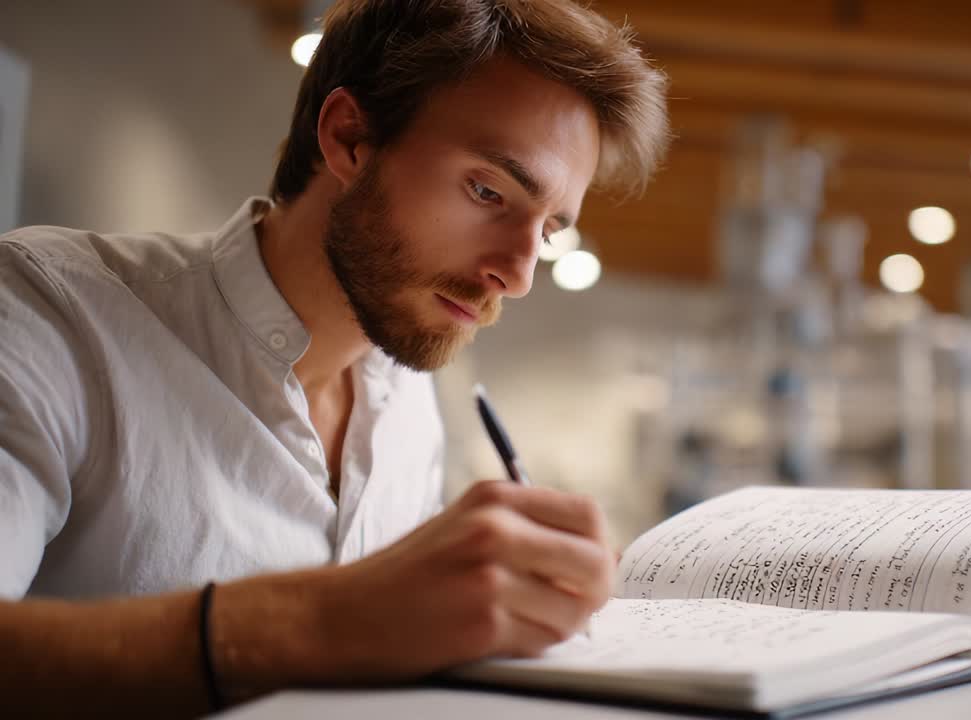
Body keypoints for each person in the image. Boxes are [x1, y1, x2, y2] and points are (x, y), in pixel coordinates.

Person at [0, 0, 669, 714]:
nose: (520, 273)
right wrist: (319, 620)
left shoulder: (410, 403)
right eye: (488, 191)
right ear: (349, 136)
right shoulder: (50, 312)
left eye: (549, 230)